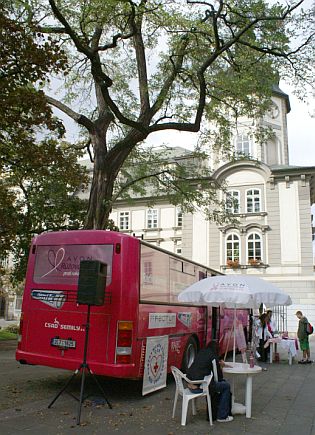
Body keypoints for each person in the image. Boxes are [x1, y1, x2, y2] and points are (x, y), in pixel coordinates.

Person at [186, 343, 233, 423]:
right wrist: (221, 367)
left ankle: (219, 413)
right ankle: (222, 416)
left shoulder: (201, 352)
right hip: (199, 387)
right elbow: (218, 378)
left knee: (217, 385)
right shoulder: (213, 357)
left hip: (190, 384)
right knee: (226, 386)